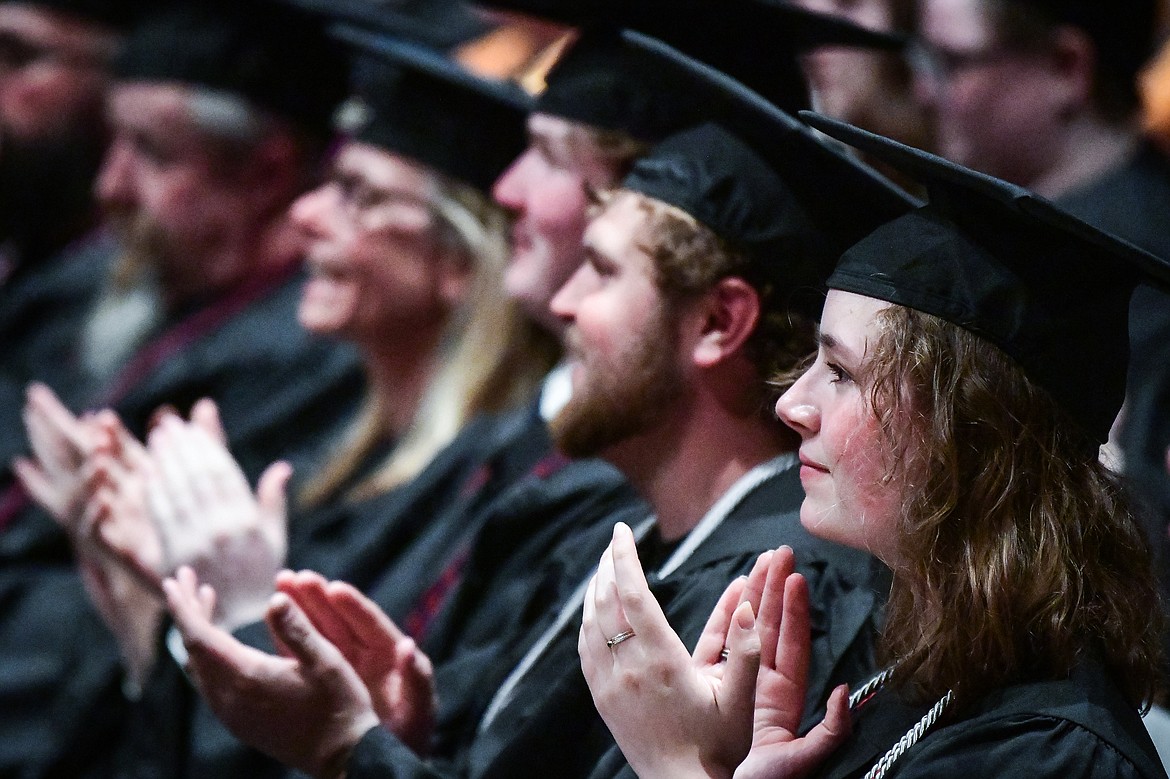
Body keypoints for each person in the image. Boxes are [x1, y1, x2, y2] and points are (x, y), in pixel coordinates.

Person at [160, 34, 917, 779]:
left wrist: (348, 748)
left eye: (600, 271)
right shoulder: (620, 543)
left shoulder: (768, 605)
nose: (562, 303)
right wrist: (406, 733)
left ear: (719, 322)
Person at [578, 112, 1169, 778]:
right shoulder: (915, 679)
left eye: (840, 372)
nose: (791, 404)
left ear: (969, 432)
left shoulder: (1046, 756)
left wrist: (672, 762)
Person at [0, 2, 362, 775]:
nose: (111, 185)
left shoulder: (308, 359)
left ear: (268, 170)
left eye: (153, 153)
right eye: (113, 143)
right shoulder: (112, 287)